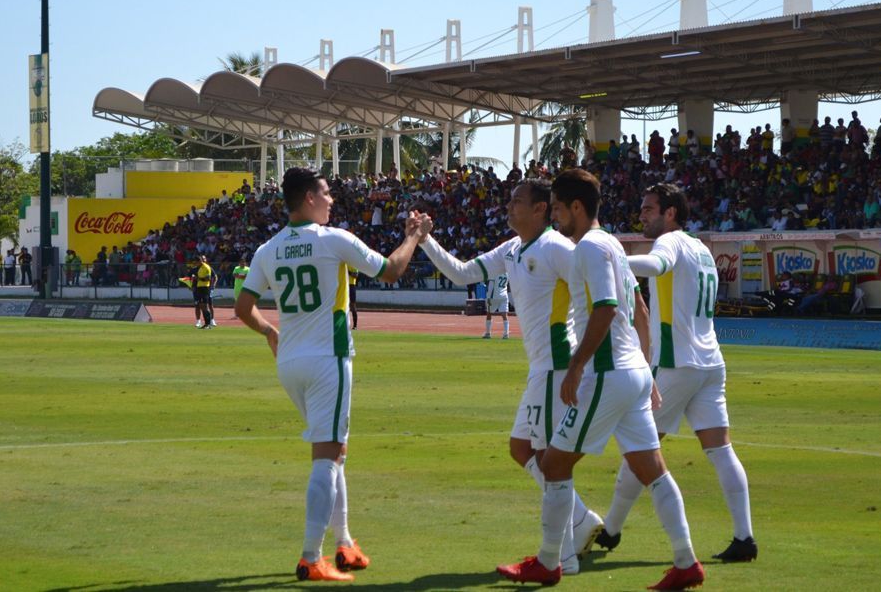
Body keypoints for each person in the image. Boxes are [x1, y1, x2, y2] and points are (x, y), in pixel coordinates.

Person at [496, 169, 704, 590]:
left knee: (553, 465)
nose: (553, 216)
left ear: (576, 207)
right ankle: (685, 561)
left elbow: (607, 309)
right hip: (631, 376)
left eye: (556, 208)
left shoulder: (589, 248)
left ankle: (551, 562)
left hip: (607, 374)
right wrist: (646, 371)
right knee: (654, 471)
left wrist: (575, 367)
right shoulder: (611, 243)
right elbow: (639, 309)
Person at [234, 167, 425, 582]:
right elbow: (391, 270)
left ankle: (345, 542)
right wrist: (413, 236)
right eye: (325, 194)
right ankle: (310, 556)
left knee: (335, 453)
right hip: (329, 358)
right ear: (308, 198)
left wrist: (270, 331)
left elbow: (242, 307)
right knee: (326, 458)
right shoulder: (332, 238)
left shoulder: (269, 248)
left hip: (290, 362)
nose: (331, 200)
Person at [416, 178, 605, 576]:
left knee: (551, 461)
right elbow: (462, 273)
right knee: (522, 449)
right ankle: (581, 519)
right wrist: (425, 241)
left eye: (518, 201)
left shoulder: (556, 247)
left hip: (557, 366)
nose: (509, 206)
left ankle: (564, 556)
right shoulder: (513, 249)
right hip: (539, 368)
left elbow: (594, 285)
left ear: (541, 209)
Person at [594, 183, 757, 564]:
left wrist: (613, 259)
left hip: (676, 364)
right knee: (720, 450)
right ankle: (744, 536)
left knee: (640, 449)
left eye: (650, 208)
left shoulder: (670, 243)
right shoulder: (702, 248)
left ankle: (612, 530)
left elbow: (656, 264)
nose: (643, 214)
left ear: (670, 213)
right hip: (710, 363)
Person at [192, 255, 216, 329]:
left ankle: (208, 324)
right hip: (199, 288)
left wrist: (197, 278)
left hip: (205, 288)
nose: (195, 264)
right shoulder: (198, 268)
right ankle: (206, 323)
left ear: (199, 261)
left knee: (205, 306)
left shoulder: (206, 267)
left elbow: (208, 278)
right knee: (202, 306)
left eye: (196, 262)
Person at [483, 273, 510, 339]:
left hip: (494, 296)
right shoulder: (507, 274)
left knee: (489, 313)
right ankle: (506, 333)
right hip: (504, 296)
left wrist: (488, 297)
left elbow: (491, 286)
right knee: (504, 315)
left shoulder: (494, 273)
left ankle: (488, 333)